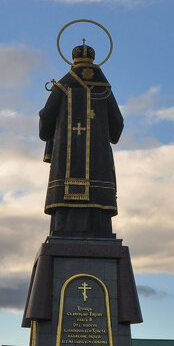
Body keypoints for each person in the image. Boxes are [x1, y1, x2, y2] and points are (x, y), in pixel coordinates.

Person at [39, 42, 123, 238]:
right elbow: (117, 124)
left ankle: (65, 228)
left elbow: (46, 119)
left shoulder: (62, 87)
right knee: (97, 198)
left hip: (64, 158)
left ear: (72, 60)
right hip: (98, 160)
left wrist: (48, 132)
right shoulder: (104, 89)